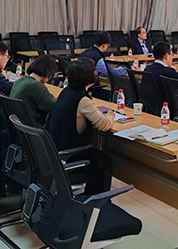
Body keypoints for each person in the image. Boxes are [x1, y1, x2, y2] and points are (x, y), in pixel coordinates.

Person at [45, 58, 114, 194]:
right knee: (104, 161)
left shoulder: (66, 92)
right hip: (71, 157)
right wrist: (111, 116)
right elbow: (104, 125)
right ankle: (97, 201)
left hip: (55, 152)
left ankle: (91, 199)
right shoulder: (83, 100)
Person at [11, 54, 59, 125]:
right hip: (32, 126)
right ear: (48, 74)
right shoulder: (35, 86)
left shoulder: (21, 80)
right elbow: (54, 105)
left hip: (19, 124)